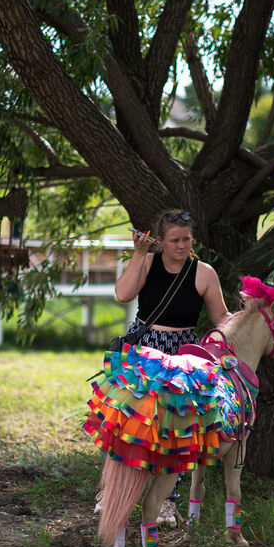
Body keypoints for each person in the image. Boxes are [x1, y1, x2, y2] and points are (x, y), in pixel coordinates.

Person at [104, 209, 230, 526]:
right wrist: (138, 254)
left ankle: (166, 502)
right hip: (145, 349)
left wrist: (255, 319)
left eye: (187, 238)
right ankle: (111, 492)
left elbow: (221, 321)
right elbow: (123, 294)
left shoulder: (204, 273)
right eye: (175, 240)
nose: (182, 245)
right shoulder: (147, 262)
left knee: (177, 428)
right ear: (161, 241)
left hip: (183, 355)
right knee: (127, 419)